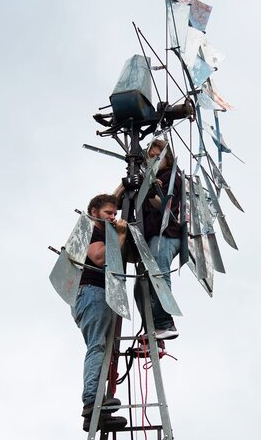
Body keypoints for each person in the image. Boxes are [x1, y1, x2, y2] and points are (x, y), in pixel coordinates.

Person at [72, 194, 128, 432]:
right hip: (92, 292)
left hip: (95, 294)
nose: (113, 217)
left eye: (115, 213)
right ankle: (92, 400)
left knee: (103, 349)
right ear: (94, 212)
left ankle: (96, 416)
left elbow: (109, 200)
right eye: (108, 213)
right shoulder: (92, 231)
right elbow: (98, 257)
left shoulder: (103, 228)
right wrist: (121, 236)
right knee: (97, 346)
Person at [136, 139, 183, 340]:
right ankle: (153, 328)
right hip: (151, 237)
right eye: (151, 156)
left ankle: (165, 322)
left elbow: (165, 208)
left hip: (166, 235)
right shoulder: (149, 178)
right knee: (141, 287)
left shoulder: (171, 178)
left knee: (159, 274)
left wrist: (150, 191)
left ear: (167, 159)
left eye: (158, 156)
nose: (154, 159)